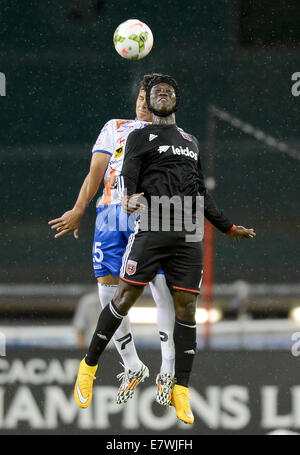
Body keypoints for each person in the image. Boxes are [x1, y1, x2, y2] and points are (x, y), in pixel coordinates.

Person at [73, 74, 256, 424]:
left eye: (166, 91)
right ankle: (90, 364)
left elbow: (200, 191)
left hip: (187, 226)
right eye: (153, 92)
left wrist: (228, 227)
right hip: (152, 221)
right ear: (147, 101)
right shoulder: (137, 134)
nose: (159, 96)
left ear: (175, 100)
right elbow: (127, 171)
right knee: (122, 296)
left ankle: (177, 384)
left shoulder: (191, 140)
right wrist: (126, 197)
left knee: (186, 305)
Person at [48, 74, 176, 406]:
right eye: (139, 100)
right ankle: (132, 364)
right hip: (109, 213)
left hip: (151, 215)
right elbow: (96, 172)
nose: (143, 104)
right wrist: (79, 208)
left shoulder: (176, 137)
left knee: (160, 286)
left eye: (148, 99)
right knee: (108, 289)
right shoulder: (115, 127)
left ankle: (170, 369)